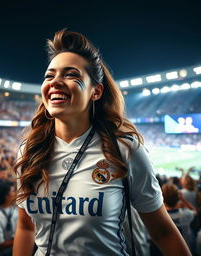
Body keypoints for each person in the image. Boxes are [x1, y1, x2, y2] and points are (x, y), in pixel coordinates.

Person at [13, 29, 191, 256]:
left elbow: (162, 232)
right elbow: (25, 227)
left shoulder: (124, 150)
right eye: (50, 76)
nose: (56, 82)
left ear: (95, 92)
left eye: (70, 74)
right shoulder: (29, 151)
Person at [0, 181, 17, 256]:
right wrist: (20, 239)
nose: (16, 193)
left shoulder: (12, 207)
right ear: (7, 196)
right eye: (13, 191)